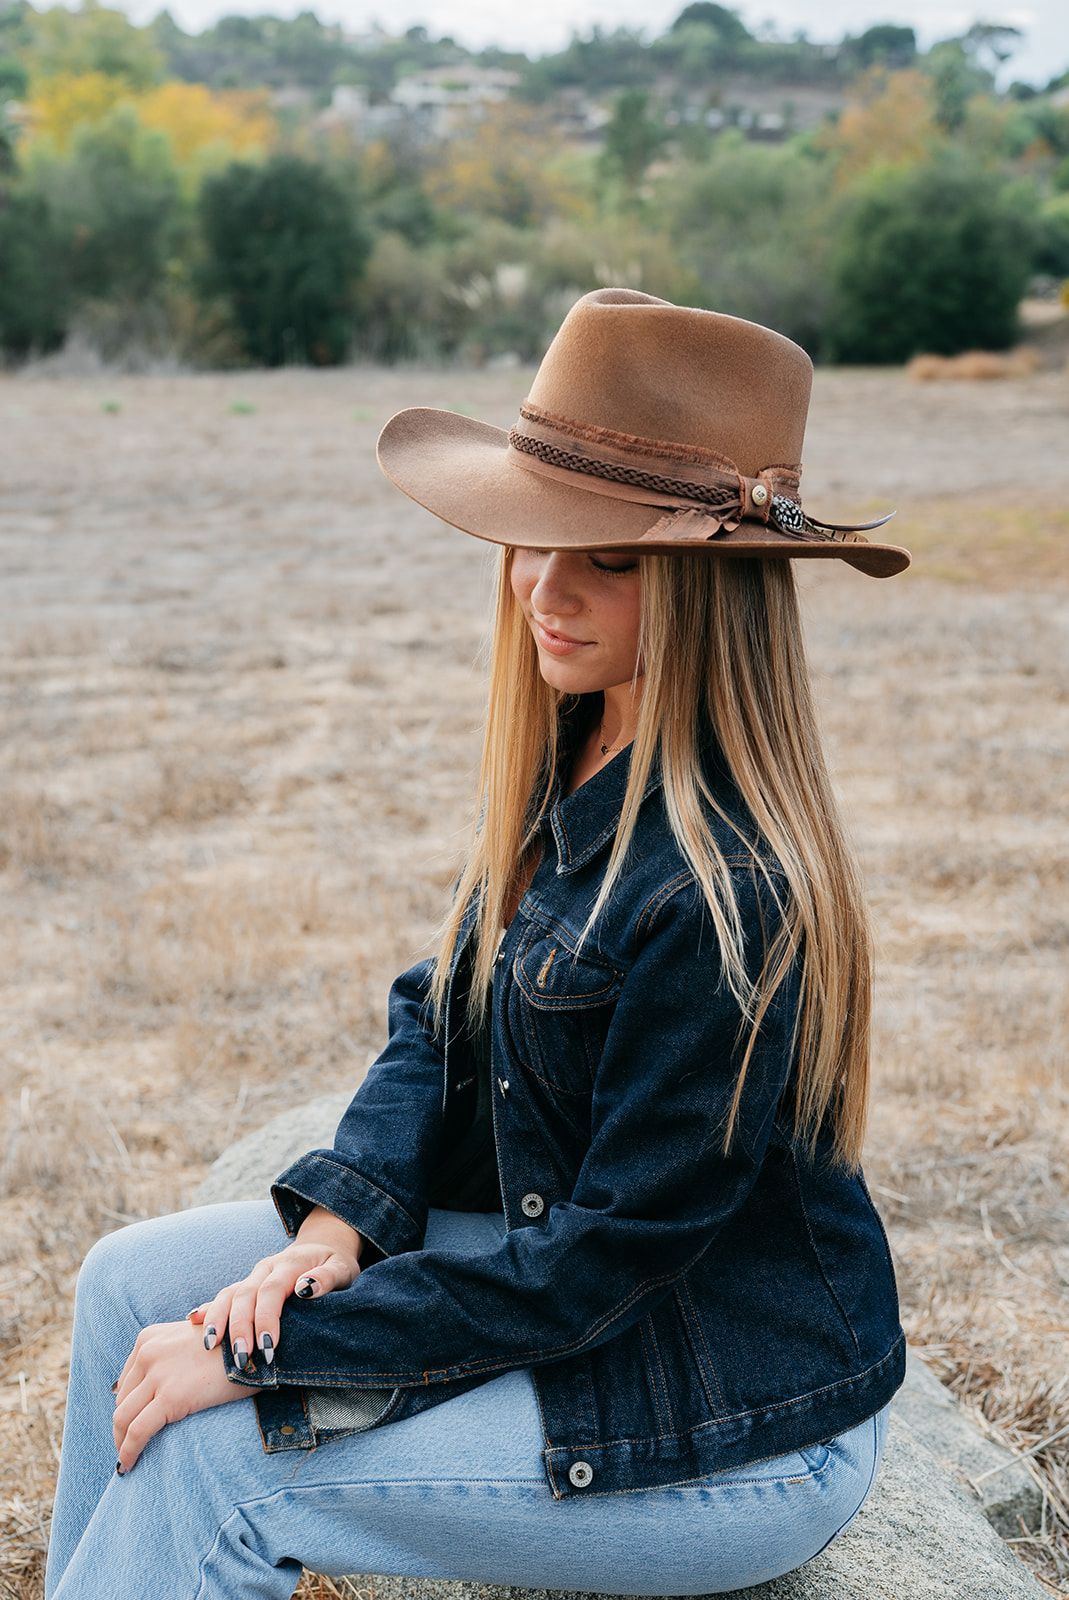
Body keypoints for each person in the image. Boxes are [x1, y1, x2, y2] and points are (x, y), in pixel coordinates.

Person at [44, 288, 912, 1599]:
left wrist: (264, 1356)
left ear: (703, 593)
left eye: (602, 558)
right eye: (526, 539)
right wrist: (341, 1223)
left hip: (721, 1405)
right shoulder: (579, 748)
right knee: (126, 1286)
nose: (538, 591)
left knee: (220, 1457)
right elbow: (438, 1009)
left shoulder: (731, 890)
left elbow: (598, 1268)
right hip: (553, 1260)